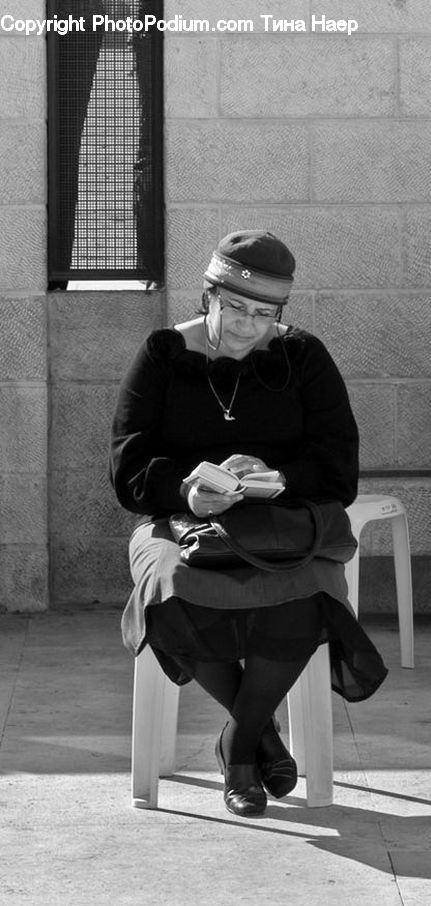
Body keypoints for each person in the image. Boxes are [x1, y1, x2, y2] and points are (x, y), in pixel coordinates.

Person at [110, 230, 387, 817]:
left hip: (282, 522)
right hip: (178, 524)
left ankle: (238, 746)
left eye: (264, 314)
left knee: (309, 591)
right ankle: (258, 735)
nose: (246, 326)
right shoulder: (163, 355)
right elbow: (127, 471)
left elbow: (339, 467)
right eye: (235, 307)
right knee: (168, 592)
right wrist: (187, 488)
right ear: (207, 295)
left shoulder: (304, 356)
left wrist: (278, 476)